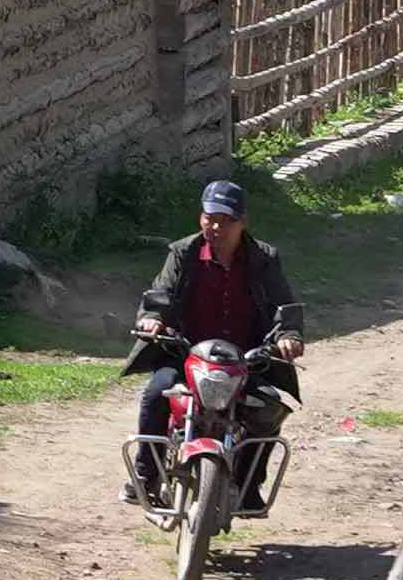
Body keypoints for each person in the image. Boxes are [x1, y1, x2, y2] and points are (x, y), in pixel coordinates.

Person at [123, 180, 307, 434]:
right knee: (156, 395)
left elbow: (283, 303)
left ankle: (250, 475)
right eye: (210, 218)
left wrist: (289, 335)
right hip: (185, 356)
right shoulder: (183, 253)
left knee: (268, 408)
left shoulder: (264, 259)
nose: (216, 227)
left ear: (243, 221)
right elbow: (161, 292)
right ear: (201, 218)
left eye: (227, 220)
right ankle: (147, 473)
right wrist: (152, 318)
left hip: (244, 361)